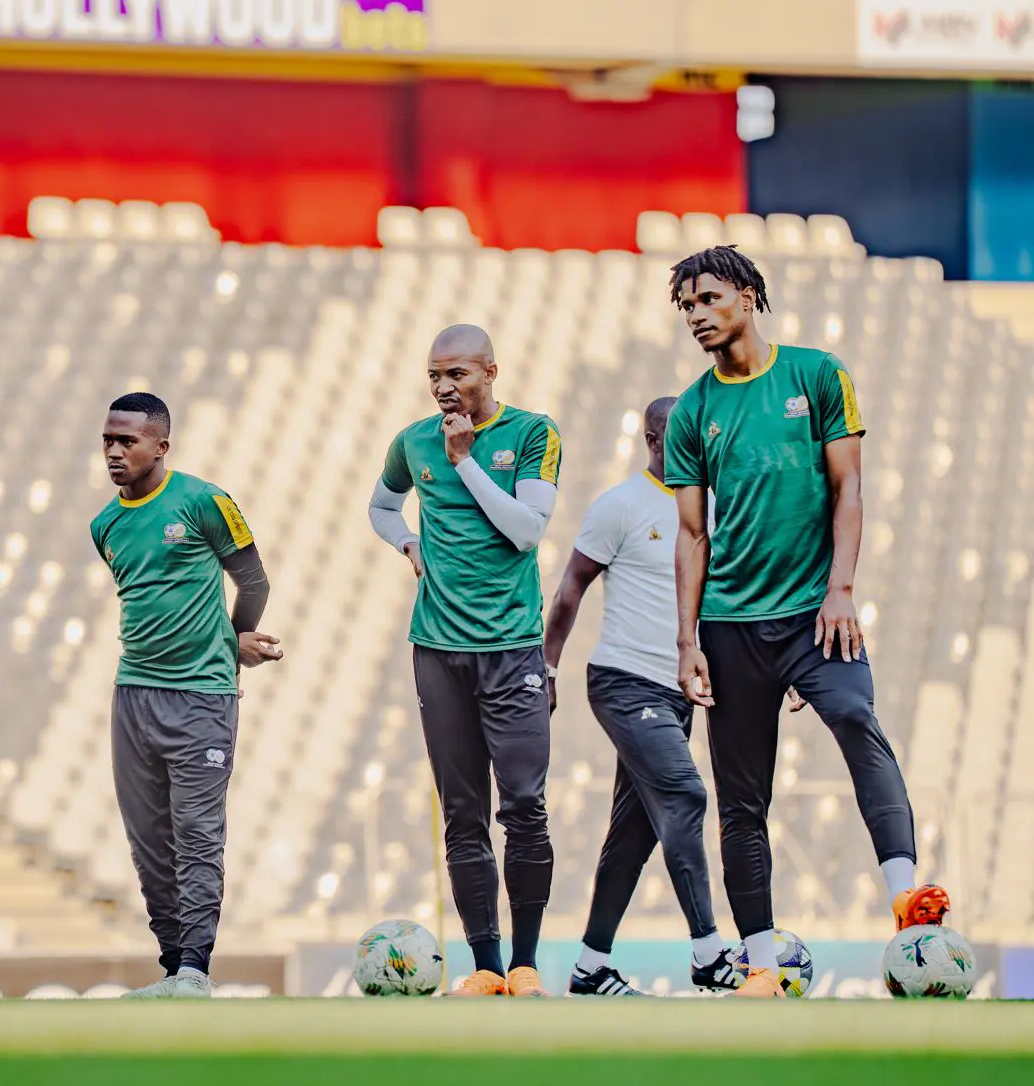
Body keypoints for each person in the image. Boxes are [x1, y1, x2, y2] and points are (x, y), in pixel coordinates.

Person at [665, 246, 950, 999]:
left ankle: (906, 897)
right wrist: (687, 641)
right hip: (731, 627)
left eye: (709, 298)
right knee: (742, 799)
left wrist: (841, 589)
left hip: (817, 617)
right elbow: (693, 535)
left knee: (858, 717)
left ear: (750, 296)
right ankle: (761, 962)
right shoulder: (693, 410)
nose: (696, 315)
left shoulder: (818, 375)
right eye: (686, 305)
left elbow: (848, 487)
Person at [367, 324, 560, 998]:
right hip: (438, 652)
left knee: (526, 806)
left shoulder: (534, 433)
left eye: (458, 374)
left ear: (491, 371)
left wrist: (466, 461)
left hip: (512, 651)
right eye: (434, 376)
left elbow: (528, 532)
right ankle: (485, 965)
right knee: (461, 811)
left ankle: (527, 963)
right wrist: (407, 545)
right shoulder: (411, 441)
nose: (445, 388)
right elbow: (382, 504)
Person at [544, 396, 741, 996]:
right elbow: (570, 591)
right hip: (624, 682)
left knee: (634, 832)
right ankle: (709, 954)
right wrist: (546, 669)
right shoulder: (622, 506)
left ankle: (589, 965)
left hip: (676, 693)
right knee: (684, 793)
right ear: (655, 439)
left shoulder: (712, 508)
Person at [91, 392, 282, 998]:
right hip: (133, 698)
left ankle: (197, 968)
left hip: (201, 697)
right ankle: (174, 967)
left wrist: (235, 641)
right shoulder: (105, 526)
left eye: (129, 441)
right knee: (149, 842)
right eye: (108, 441)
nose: (115, 452)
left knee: (198, 836)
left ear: (161, 446)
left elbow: (252, 579)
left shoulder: (205, 501)